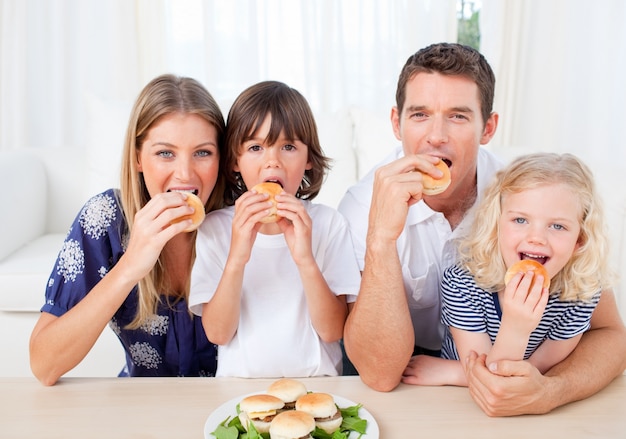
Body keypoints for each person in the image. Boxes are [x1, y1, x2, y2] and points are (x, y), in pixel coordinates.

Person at [338, 42, 626, 415]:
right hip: (402, 365)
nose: (436, 136)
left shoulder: (525, 197)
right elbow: (380, 374)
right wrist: (381, 236)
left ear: (487, 127)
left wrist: (550, 391)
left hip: (505, 361)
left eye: (457, 116)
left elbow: (611, 335)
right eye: (420, 114)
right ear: (397, 123)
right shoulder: (362, 206)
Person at [29, 74, 226, 385]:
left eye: (202, 152)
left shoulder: (239, 219)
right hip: (138, 406)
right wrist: (130, 266)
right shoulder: (105, 219)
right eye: (165, 153)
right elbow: (44, 365)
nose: (185, 174)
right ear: (138, 158)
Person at [189, 80, 361, 377]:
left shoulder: (329, 225)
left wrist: (305, 259)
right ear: (234, 161)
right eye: (256, 147)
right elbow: (217, 334)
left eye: (288, 146)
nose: (273, 161)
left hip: (317, 388)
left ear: (308, 159)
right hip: (240, 394)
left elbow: (333, 331)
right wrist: (237, 258)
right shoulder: (215, 229)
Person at [413, 153, 611, 386]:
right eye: (520, 220)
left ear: (580, 239)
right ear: (497, 224)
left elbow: (516, 382)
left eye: (557, 226)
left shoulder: (580, 296)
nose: (536, 237)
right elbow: (491, 381)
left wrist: (455, 373)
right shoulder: (463, 283)